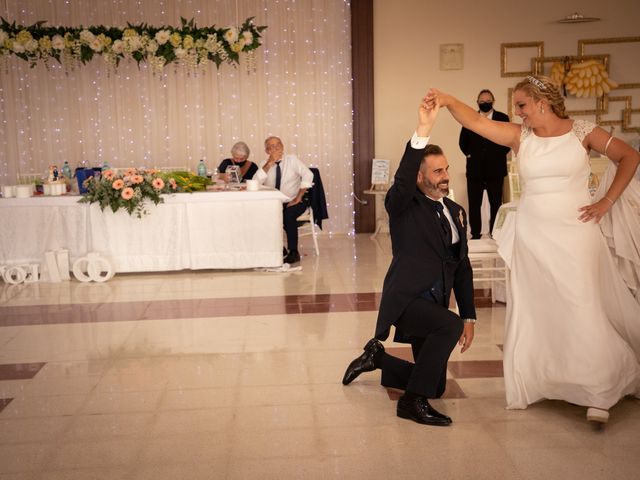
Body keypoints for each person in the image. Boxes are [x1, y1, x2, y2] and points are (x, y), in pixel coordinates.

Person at [427, 75, 640, 424]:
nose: (518, 113)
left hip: (577, 232)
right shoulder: (518, 136)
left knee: (581, 302)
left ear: (542, 102)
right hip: (533, 235)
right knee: (540, 308)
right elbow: (477, 122)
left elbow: (630, 157)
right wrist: (449, 101)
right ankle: (545, 380)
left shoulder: (583, 131)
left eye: (522, 105)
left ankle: (599, 390)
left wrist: (606, 202)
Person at [341, 97, 476, 427]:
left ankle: (378, 359)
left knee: (437, 386)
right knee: (448, 324)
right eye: (437, 171)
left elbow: (461, 265)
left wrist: (469, 314)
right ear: (419, 177)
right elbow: (401, 179)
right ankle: (411, 404)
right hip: (407, 300)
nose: (446, 175)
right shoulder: (402, 205)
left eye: (446, 168)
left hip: (434, 302)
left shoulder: (456, 211)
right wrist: (423, 130)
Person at [459, 89, 511, 238]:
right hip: (475, 170)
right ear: (477, 102)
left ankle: (495, 233)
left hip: (496, 169)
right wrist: (470, 154)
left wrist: (498, 154)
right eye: (482, 101)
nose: (485, 103)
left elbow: (508, 140)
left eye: (488, 101)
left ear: (493, 102)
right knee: (474, 204)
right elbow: (463, 142)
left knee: (496, 203)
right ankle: (475, 234)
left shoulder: (502, 117)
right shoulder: (470, 118)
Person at [255, 136, 313, 264]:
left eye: (278, 145)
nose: (275, 148)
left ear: (282, 147)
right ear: (267, 151)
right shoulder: (263, 164)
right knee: (263, 215)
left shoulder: (292, 160)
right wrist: (269, 164)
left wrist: (299, 196)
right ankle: (279, 249)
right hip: (274, 203)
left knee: (288, 215)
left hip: (294, 200)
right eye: (271, 146)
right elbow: (255, 182)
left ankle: (293, 252)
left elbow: (308, 174)